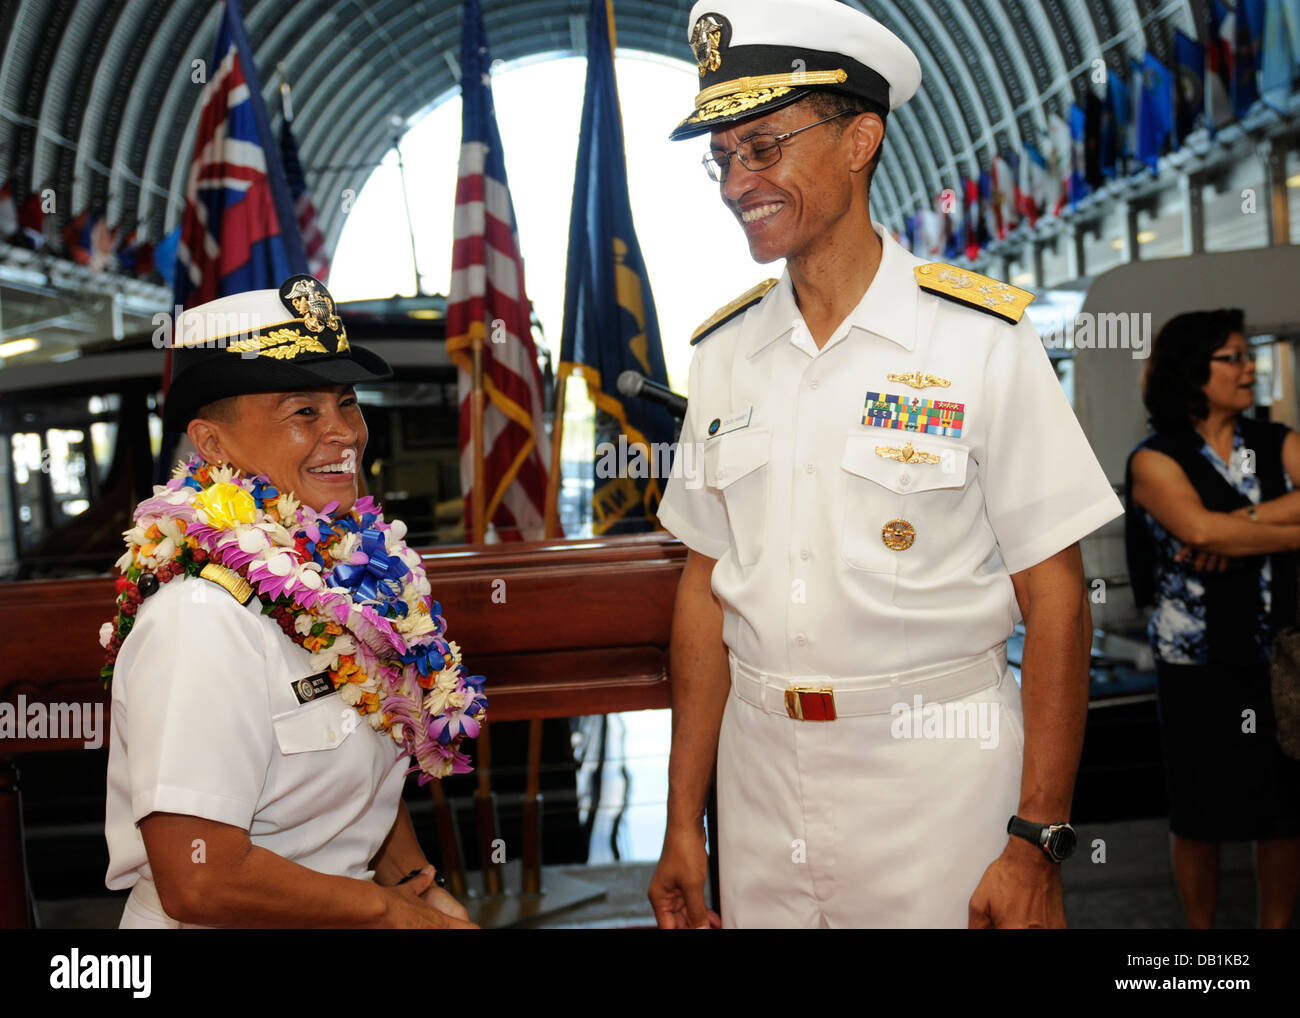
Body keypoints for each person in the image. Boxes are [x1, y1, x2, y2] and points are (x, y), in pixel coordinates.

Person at [648, 0, 1123, 929]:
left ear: (859, 138)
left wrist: (1039, 840)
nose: (737, 181)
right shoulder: (724, 354)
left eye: (763, 146)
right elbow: (705, 590)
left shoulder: (980, 339)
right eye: (724, 157)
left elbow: (1058, 599)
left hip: (937, 783)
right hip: (759, 786)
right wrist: (681, 823)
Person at [102, 276, 482, 928]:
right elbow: (199, 880)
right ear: (212, 444)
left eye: (347, 402)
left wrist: (415, 886)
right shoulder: (201, 620)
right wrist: (389, 914)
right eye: (303, 411)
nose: (343, 433)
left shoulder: (337, 575)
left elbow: (350, 760)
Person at [1125, 309, 1300, 929]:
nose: (1250, 366)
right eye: (1235, 356)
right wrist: (1283, 530)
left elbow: (1211, 530)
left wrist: (1241, 528)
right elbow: (1196, 528)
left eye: (1248, 354)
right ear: (1193, 370)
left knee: (1283, 810)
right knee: (1201, 812)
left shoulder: (1274, 442)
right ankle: (1201, 939)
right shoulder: (1155, 458)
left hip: (1278, 656)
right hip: (1197, 666)